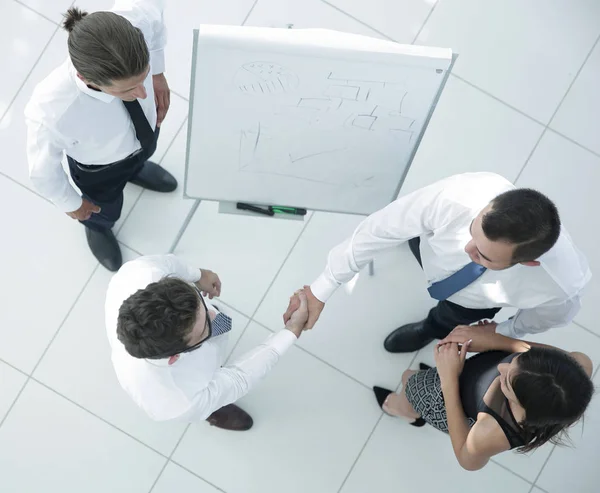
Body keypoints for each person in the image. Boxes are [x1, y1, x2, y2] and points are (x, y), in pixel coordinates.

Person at [285, 172, 591, 352]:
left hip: (472, 302)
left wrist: (502, 331)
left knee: (449, 317)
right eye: (473, 233)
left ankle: (429, 329)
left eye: (484, 256)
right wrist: (321, 289)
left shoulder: (561, 284)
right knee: (415, 237)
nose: (468, 249)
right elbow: (381, 227)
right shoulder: (461, 195)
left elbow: (548, 317)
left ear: (529, 263)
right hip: (431, 250)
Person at [25, 2, 177, 272]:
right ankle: (98, 226)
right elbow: (42, 172)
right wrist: (72, 204)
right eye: (128, 89)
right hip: (101, 169)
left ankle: (137, 169)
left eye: (141, 79)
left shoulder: (136, 19)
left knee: (146, 149)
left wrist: (158, 72)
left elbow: (153, 13)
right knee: (104, 206)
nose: (143, 94)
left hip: (143, 137)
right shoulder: (52, 110)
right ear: (87, 78)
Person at [105, 254, 308, 430]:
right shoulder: (178, 401)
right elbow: (239, 378)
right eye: (203, 327)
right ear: (176, 357)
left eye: (199, 303)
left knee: (219, 325)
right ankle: (213, 408)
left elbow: (168, 264)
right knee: (210, 396)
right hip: (194, 390)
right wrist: (291, 331)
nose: (214, 313)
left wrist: (198, 275)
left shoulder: (139, 273)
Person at [371, 322, 594, 471]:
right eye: (516, 361)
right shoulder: (578, 366)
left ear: (522, 406)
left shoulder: (492, 430)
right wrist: (494, 340)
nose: (502, 367)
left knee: (409, 379)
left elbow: (467, 459)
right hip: (469, 377)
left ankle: (406, 410)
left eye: (506, 383)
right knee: (420, 376)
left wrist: (449, 379)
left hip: (450, 398)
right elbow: (525, 348)